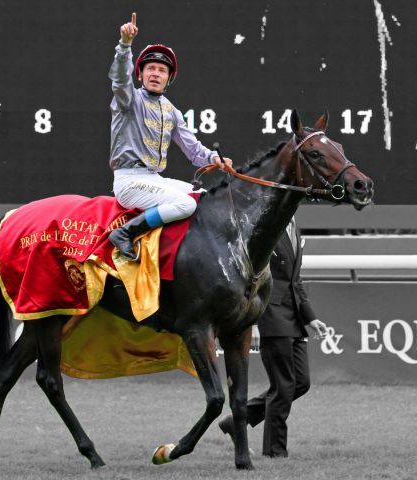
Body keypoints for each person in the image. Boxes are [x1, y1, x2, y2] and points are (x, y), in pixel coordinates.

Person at [108, 13, 233, 260]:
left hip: (155, 179)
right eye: (150, 69)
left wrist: (215, 158)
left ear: (168, 78)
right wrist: (125, 45)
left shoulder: (172, 111)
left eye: (162, 70)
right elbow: (119, 79)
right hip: (129, 181)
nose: (155, 73)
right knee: (186, 205)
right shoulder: (128, 99)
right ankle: (124, 233)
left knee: (204, 198)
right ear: (140, 75)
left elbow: (194, 151)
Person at [218, 217, 327, 458]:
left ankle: (238, 418)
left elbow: (294, 280)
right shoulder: (265, 227)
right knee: (283, 386)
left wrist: (310, 318)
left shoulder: (294, 226)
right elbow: (249, 276)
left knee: (300, 383)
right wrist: (253, 322)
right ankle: (275, 452)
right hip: (271, 314)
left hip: (294, 317)